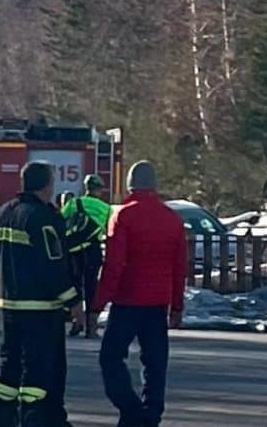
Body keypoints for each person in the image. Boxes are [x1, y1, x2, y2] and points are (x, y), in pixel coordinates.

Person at [0, 161, 82, 427]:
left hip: (9, 308)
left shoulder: (3, 213)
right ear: (48, 185)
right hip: (41, 310)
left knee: (9, 368)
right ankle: (39, 421)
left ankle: (5, 421)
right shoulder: (44, 218)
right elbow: (53, 265)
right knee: (40, 372)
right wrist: (74, 302)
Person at [94, 161, 187, 427]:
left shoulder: (123, 215)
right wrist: (177, 306)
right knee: (155, 363)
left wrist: (98, 303)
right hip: (158, 302)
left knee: (111, 357)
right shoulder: (172, 219)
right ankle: (151, 413)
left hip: (127, 301)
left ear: (130, 185)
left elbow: (113, 264)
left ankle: (131, 408)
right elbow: (179, 268)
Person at [61, 175, 112, 338]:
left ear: (86, 188)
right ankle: (91, 327)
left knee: (75, 285)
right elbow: (110, 230)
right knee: (91, 287)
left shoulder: (74, 203)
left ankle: (77, 320)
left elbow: (60, 221)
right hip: (93, 251)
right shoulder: (106, 208)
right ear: (100, 189)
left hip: (74, 250)